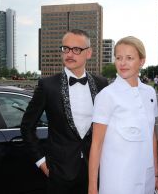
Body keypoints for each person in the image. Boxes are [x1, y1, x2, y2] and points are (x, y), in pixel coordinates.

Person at [20, 29, 108, 194]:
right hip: (59, 173)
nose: (69, 54)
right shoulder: (47, 85)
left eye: (76, 50)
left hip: (95, 171)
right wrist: (42, 163)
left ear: (88, 53)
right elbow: (26, 127)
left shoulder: (102, 84)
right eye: (65, 49)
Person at [88, 36, 158, 194]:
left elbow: (151, 134)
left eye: (129, 58)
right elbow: (96, 145)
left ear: (141, 61)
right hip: (118, 181)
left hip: (146, 178)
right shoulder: (106, 96)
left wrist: (156, 173)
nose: (122, 63)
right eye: (119, 58)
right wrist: (92, 187)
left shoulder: (149, 92)